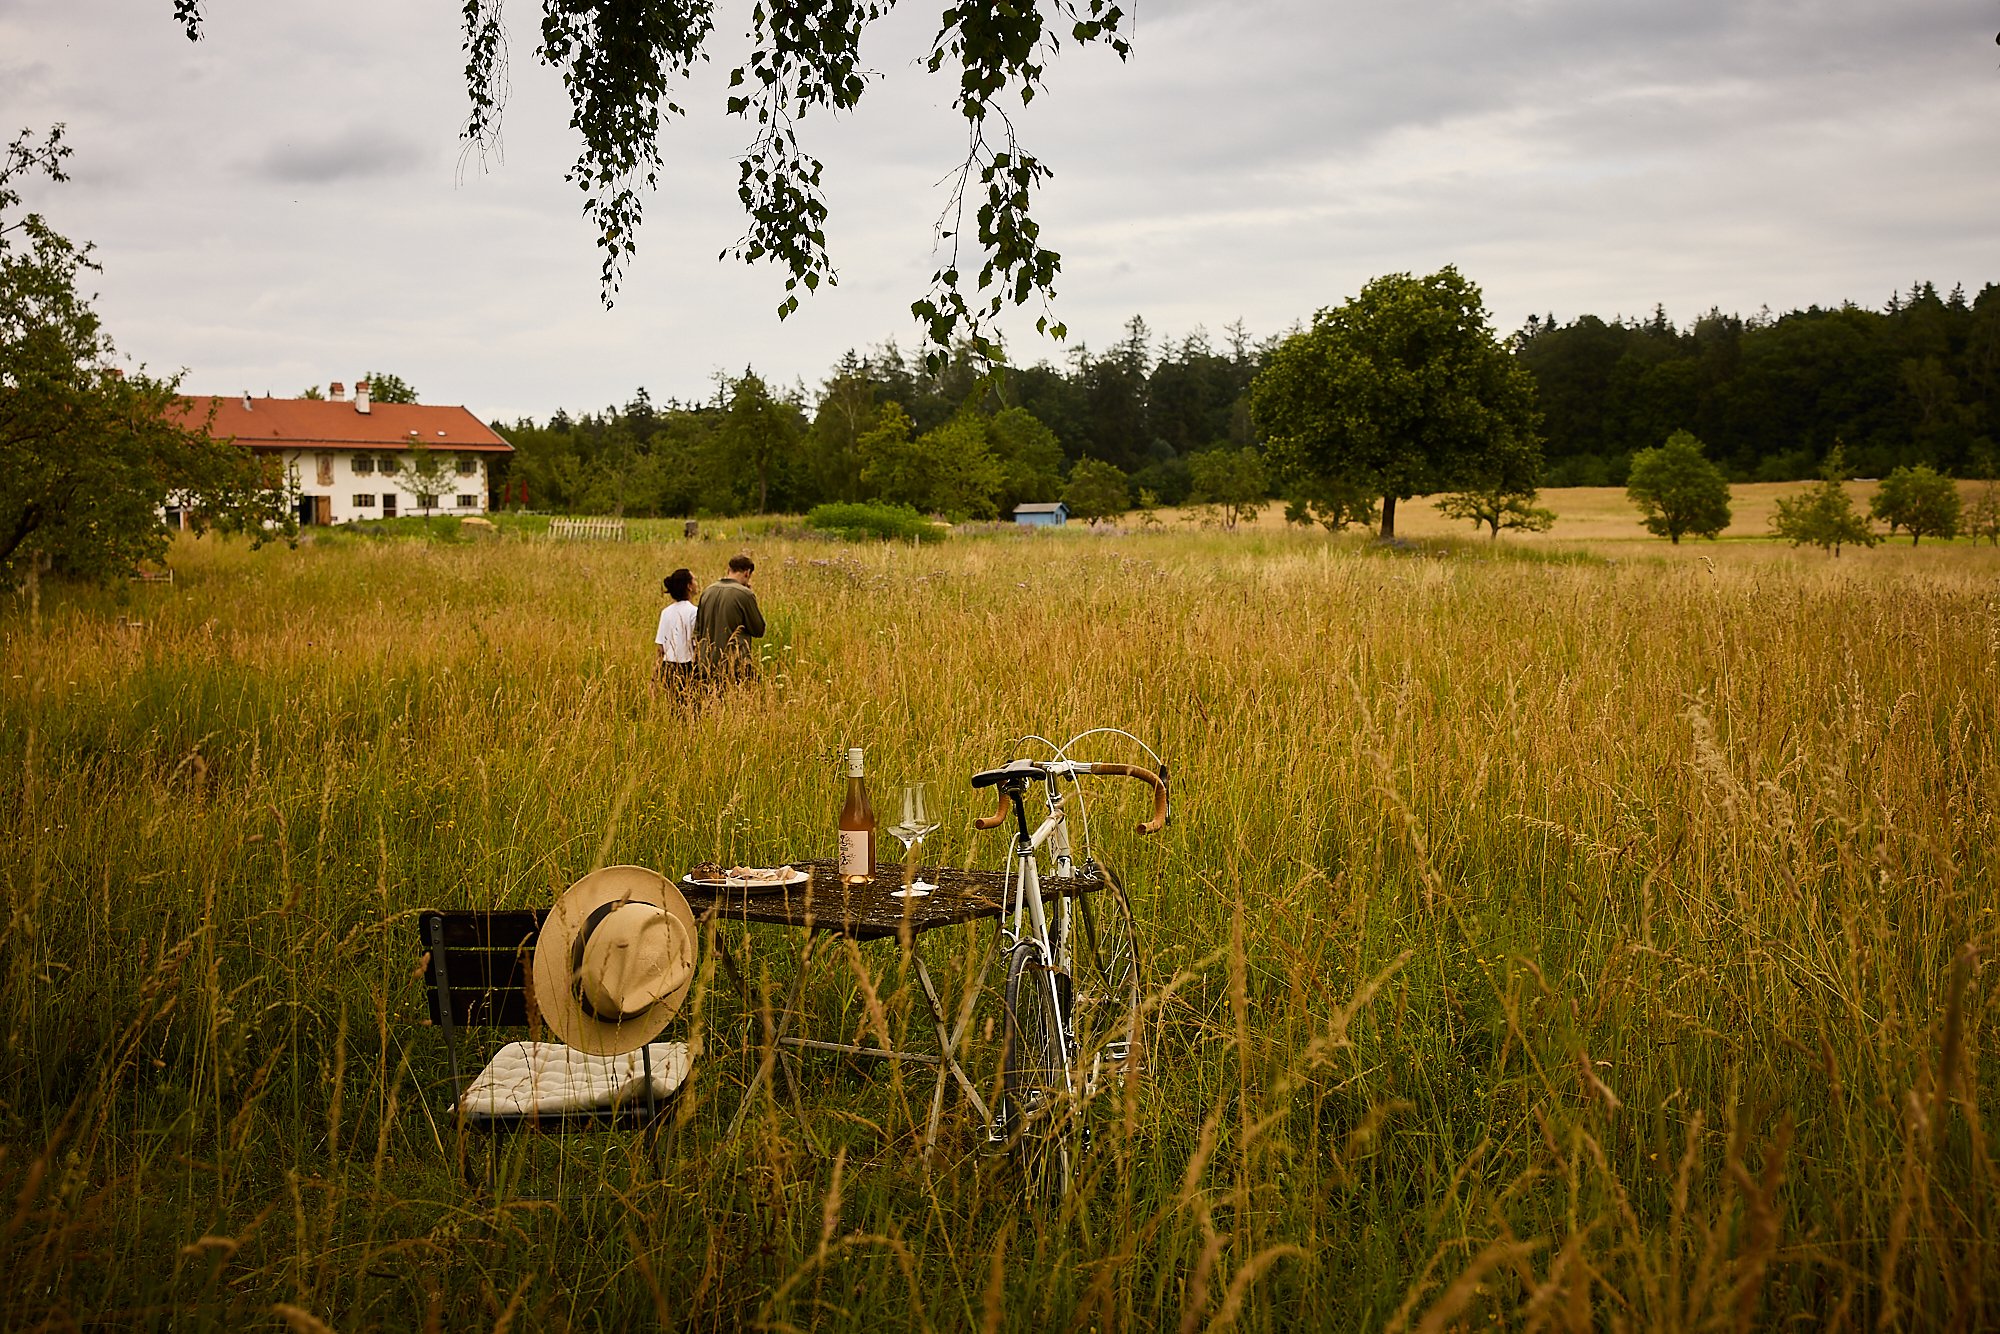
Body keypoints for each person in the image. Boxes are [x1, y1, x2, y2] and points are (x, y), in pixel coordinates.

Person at [693, 553, 765, 680]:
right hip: (734, 664)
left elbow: (698, 629)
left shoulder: (707, 591)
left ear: (728, 570)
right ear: (747, 573)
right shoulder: (744, 594)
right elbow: (758, 630)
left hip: (706, 664)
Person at [654, 568, 697, 689]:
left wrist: (655, 674)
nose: (696, 583)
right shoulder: (694, 612)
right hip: (687, 667)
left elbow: (661, 648)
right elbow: (696, 644)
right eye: (694, 580)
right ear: (689, 586)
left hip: (668, 666)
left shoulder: (666, 612)